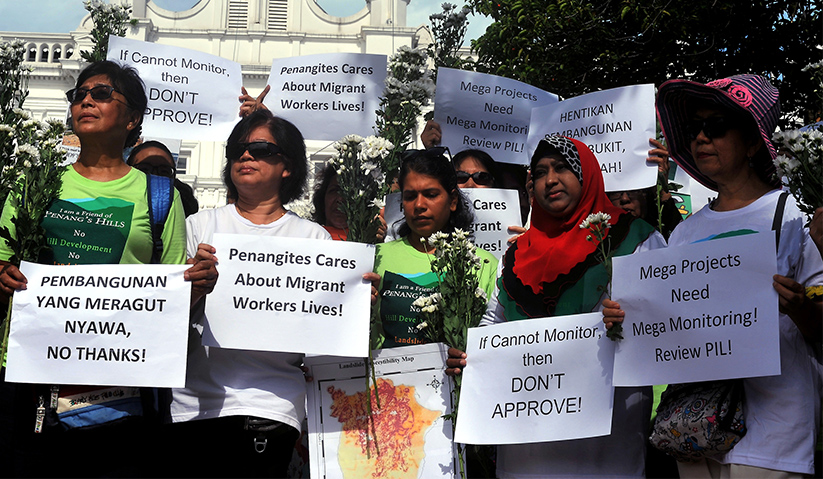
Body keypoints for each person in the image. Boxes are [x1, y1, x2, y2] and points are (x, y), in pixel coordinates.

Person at [0, 60, 215, 478]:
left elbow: (168, 300)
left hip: (123, 392)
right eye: (78, 94)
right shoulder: (35, 185)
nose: (85, 100)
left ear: (133, 117)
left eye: (100, 94)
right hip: (33, 384)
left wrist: (196, 285)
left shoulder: (159, 196)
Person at [605, 74, 823, 478]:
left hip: (776, 432)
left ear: (754, 141)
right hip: (697, 431)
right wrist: (626, 316)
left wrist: (799, 307)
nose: (701, 138)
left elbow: (819, 320)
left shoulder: (796, 215)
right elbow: (668, 320)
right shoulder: (686, 231)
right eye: (694, 129)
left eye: (716, 127)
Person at [448, 135, 667, 478]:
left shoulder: (635, 238)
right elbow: (495, 320)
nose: (550, 179)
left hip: (607, 437)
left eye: (562, 168)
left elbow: (663, 322)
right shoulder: (516, 255)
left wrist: (628, 321)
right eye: (540, 172)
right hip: (527, 443)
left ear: (587, 175)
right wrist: (473, 356)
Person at [167, 109, 361, 478]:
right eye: (237, 148)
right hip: (194, 405)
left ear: (287, 166)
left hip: (271, 406)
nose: (245, 156)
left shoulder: (313, 238)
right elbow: (164, 320)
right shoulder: (198, 225)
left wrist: (351, 303)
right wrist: (193, 289)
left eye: (259, 148)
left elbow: (322, 337)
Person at [373, 147, 498, 348]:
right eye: (410, 196)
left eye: (431, 194)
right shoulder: (376, 257)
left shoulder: (483, 263)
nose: (419, 205)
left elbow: (494, 341)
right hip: (386, 379)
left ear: (453, 201)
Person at [127, 140, 200, 217]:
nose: (154, 175)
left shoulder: (182, 209)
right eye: (144, 169)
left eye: (164, 171)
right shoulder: (116, 201)